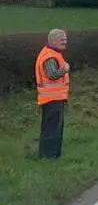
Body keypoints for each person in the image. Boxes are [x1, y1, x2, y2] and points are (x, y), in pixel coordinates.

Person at [35, 29, 70, 160]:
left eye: (65, 39)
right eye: (62, 39)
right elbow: (52, 74)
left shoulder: (53, 53)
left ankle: (53, 155)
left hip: (54, 98)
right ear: (53, 41)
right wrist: (64, 69)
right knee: (51, 129)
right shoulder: (50, 56)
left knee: (55, 128)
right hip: (52, 99)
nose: (65, 42)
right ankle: (48, 156)